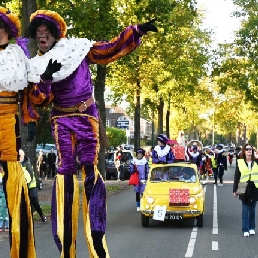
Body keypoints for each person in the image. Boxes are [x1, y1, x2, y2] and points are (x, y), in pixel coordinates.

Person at [27, 9, 157, 257]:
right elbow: (39, 100)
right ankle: (65, 244)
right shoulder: (38, 64)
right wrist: (44, 79)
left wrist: (136, 30)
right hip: (62, 119)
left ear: (54, 34)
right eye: (38, 33)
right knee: (64, 172)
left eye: (46, 32)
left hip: (87, 117)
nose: (42, 36)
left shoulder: (78, 49)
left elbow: (109, 49)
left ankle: (96, 234)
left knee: (89, 167)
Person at [0, 7, 38, 257]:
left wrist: (31, 118)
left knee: (12, 179)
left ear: (6, 29)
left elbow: (30, 88)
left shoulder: (16, 53)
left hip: (7, 119)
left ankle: (21, 248)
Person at [233, 144, 258, 237]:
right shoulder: (240, 162)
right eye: (247, 149)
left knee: (252, 210)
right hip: (243, 187)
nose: (249, 151)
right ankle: (245, 229)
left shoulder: (256, 162)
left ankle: (252, 228)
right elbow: (237, 177)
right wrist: (234, 190)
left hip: (255, 187)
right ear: (244, 151)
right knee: (245, 210)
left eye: (250, 149)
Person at [19, 149, 47, 223]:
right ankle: (28, 218)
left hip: (31, 185)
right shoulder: (17, 163)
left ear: (23, 156)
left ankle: (41, 215)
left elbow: (31, 176)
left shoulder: (27, 164)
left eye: (20, 156)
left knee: (33, 201)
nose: (19, 157)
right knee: (24, 202)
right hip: (23, 185)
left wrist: (27, 184)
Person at [0, 164, 9, 232]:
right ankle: (0, 225)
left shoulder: (7, 174)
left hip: (6, 194)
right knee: (1, 210)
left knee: (6, 210)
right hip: (1, 195)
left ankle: (7, 225)